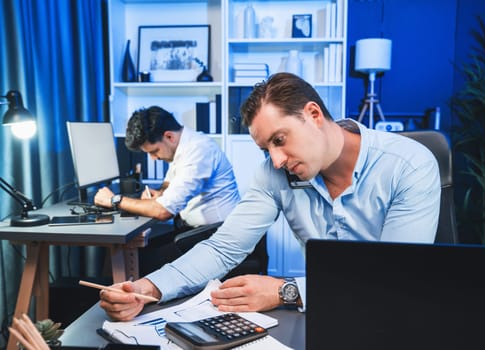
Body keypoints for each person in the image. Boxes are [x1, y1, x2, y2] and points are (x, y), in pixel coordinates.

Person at [99, 73, 440, 321]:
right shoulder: (273, 173)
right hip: (325, 315)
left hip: (393, 318)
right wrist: (147, 287)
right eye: (266, 148)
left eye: (280, 140)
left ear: (313, 115)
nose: (276, 161)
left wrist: (283, 291)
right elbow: (222, 248)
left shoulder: (408, 164)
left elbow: (396, 279)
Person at [94, 106, 240, 273]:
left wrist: (115, 200)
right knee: (124, 253)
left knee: (127, 261)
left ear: (169, 136)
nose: (154, 158)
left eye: (154, 151)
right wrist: (157, 194)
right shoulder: (183, 146)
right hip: (195, 231)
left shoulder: (198, 150)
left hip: (216, 237)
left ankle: (113, 297)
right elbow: (168, 185)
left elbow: (164, 212)